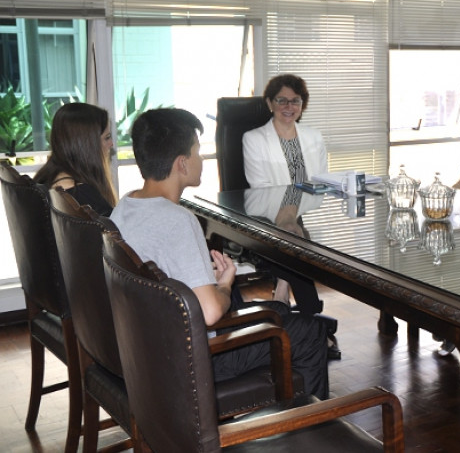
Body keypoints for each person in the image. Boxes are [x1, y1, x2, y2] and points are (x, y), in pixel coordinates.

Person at [110, 108, 330, 398]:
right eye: (197, 152)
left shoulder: (124, 207)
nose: (201, 159)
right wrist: (225, 284)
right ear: (182, 164)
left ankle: (289, 404)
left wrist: (204, 278)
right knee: (311, 332)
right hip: (195, 357)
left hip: (149, 347)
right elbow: (212, 312)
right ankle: (312, 427)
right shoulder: (178, 219)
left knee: (277, 310)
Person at [241, 74, 340, 358]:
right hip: (267, 214)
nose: (288, 106)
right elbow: (260, 186)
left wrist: (296, 214)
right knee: (295, 244)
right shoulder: (254, 138)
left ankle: (282, 293)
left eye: (295, 100)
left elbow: (320, 179)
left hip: (305, 211)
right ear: (270, 103)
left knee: (294, 245)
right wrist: (289, 217)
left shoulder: (313, 136)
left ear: (302, 104)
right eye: (281, 100)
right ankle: (311, 321)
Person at [35, 102, 117, 216]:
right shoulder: (82, 196)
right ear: (87, 144)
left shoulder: (46, 178)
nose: (111, 144)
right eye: (107, 138)